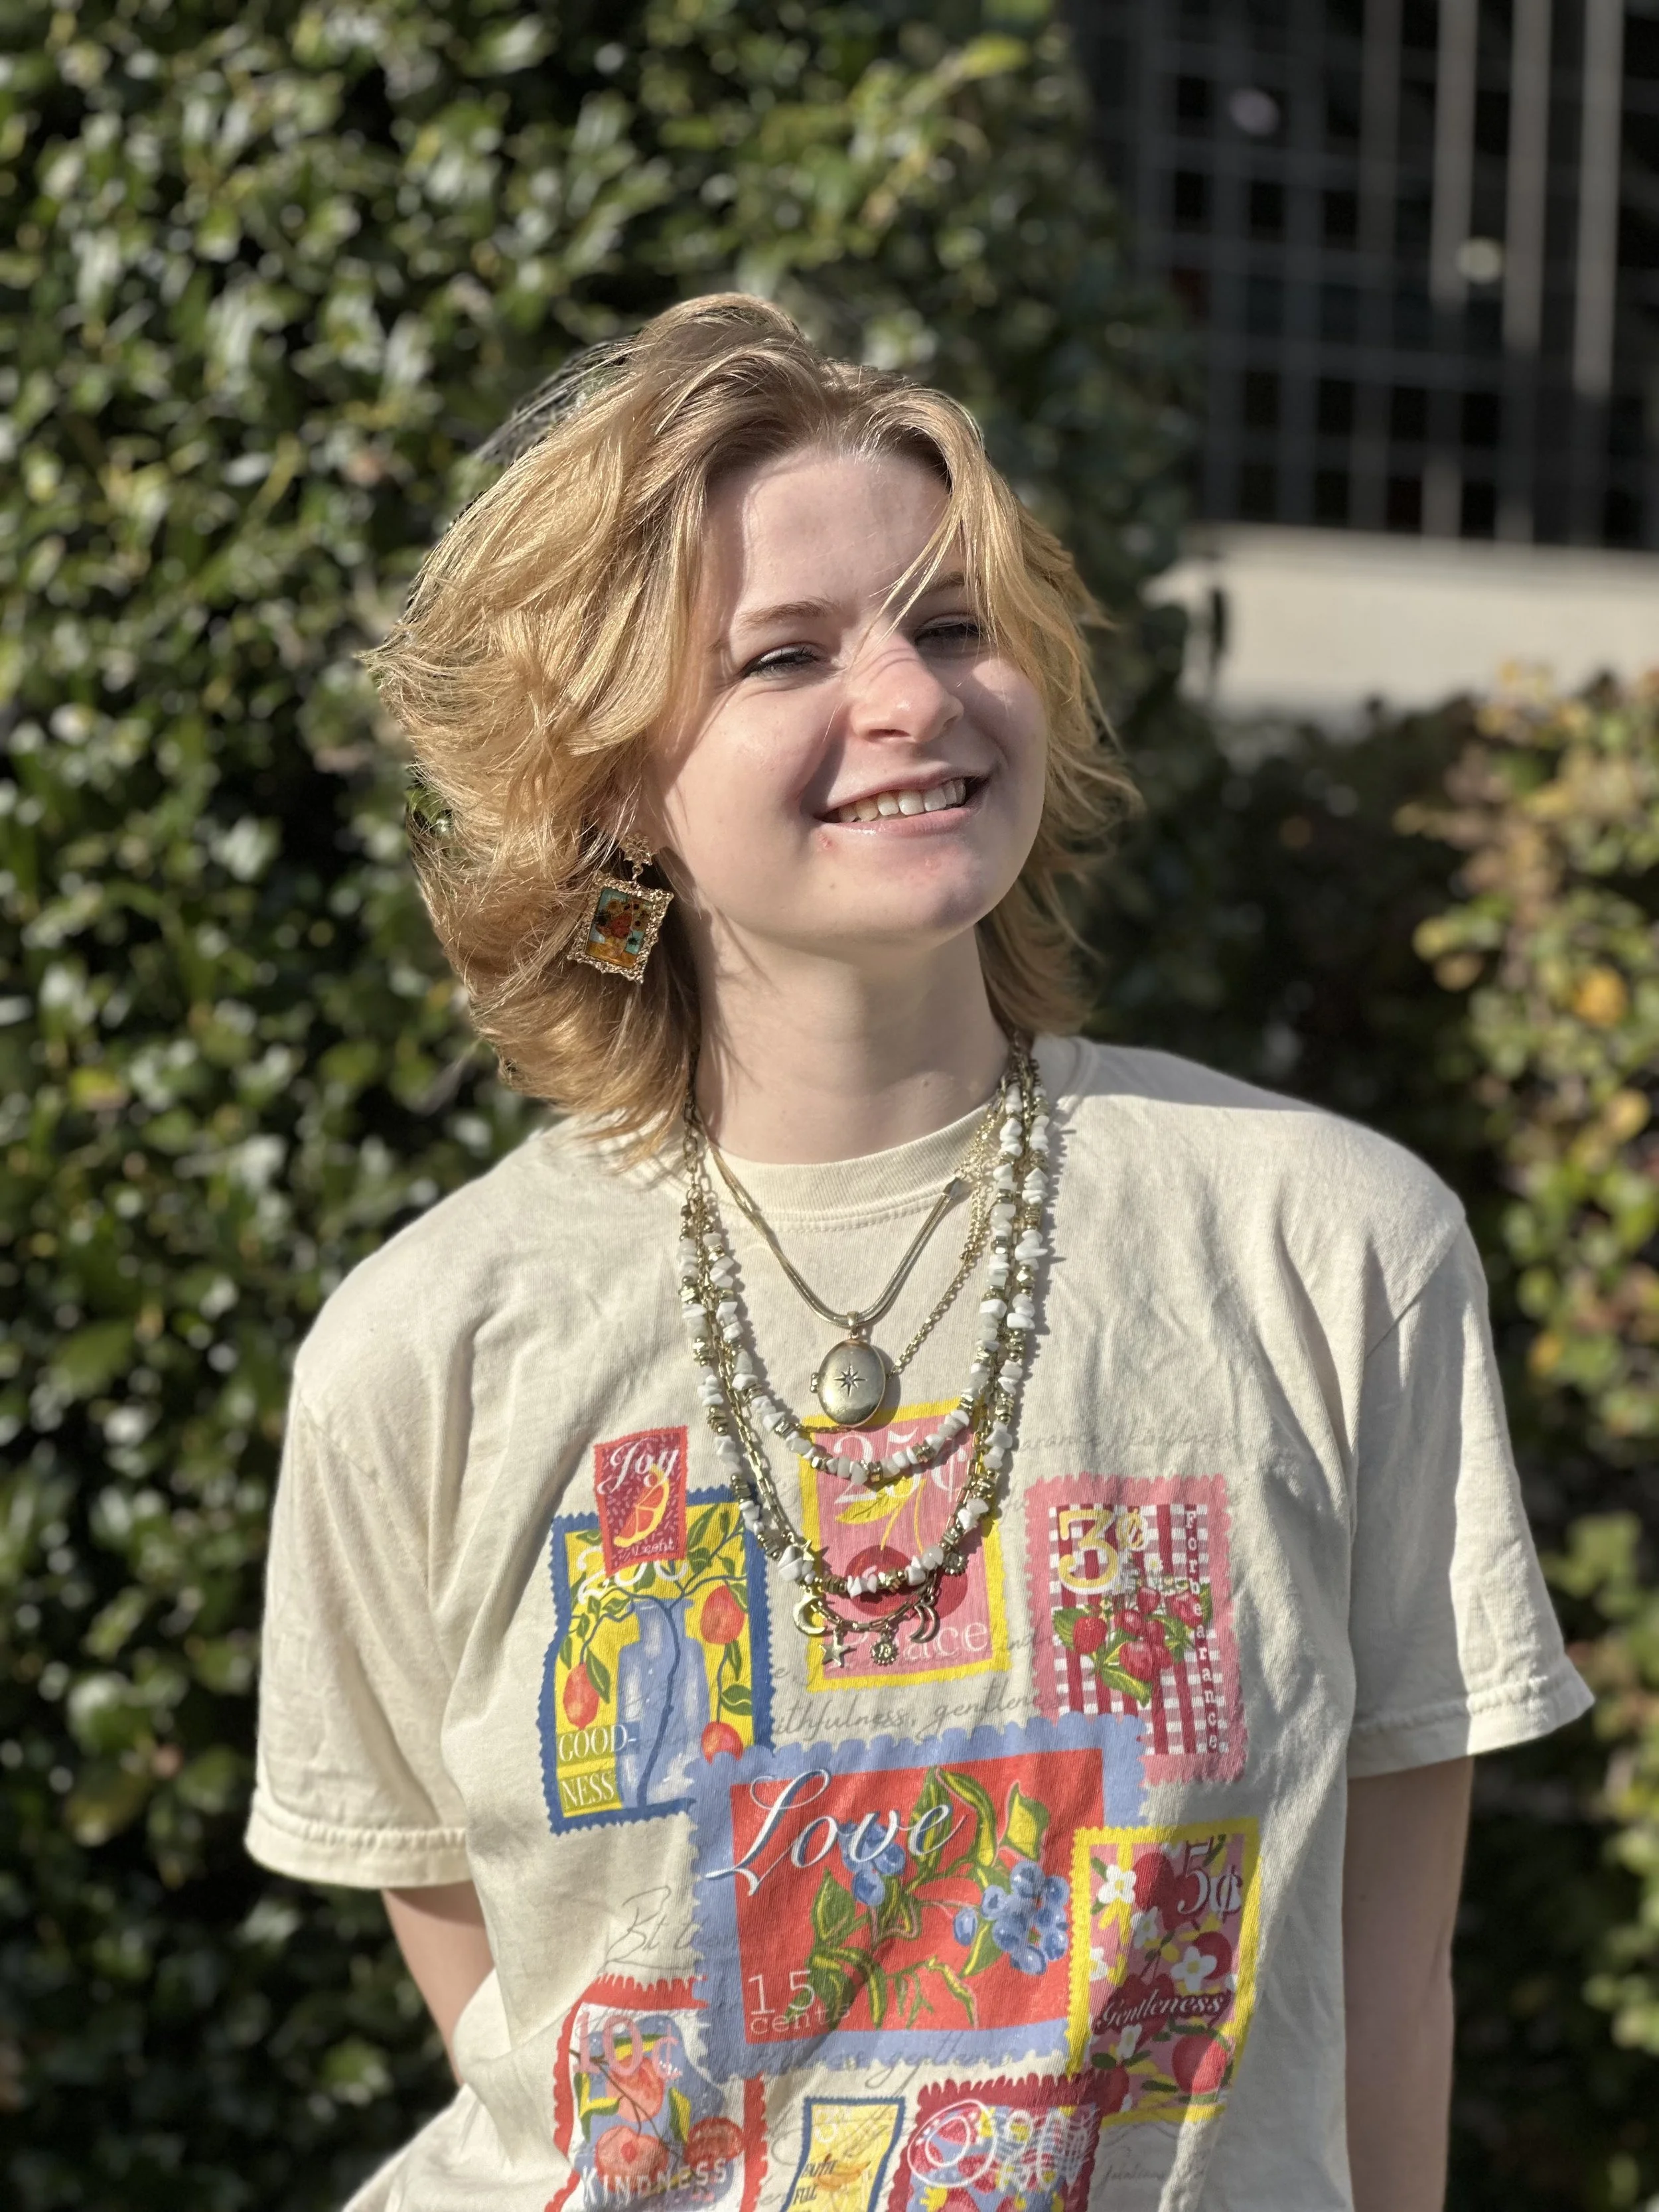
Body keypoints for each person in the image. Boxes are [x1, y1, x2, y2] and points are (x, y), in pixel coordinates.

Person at [247, 296, 1591, 2212]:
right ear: (617, 782)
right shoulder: (428, 1344)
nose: (911, 698)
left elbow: (1385, 1982)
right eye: (784, 654)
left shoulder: (1335, 1249)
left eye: (951, 626)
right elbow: (519, 1987)